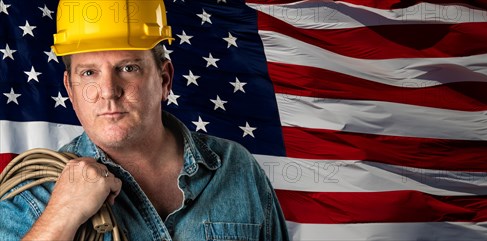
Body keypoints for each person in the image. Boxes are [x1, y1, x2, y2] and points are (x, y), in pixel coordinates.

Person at [0, 0, 289, 240]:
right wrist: (62, 214)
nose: (109, 92)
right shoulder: (36, 193)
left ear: (165, 79)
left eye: (127, 68)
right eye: (89, 73)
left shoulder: (236, 168)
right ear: (70, 89)